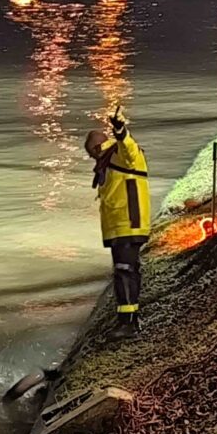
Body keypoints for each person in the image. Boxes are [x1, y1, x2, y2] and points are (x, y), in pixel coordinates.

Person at [85, 107, 150, 341]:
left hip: (127, 224)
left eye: (92, 153)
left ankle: (128, 325)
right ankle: (129, 320)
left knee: (125, 272)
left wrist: (121, 130)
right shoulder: (109, 159)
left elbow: (128, 147)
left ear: (95, 148)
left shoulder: (117, 153)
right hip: (122, 225)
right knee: (126, 271)